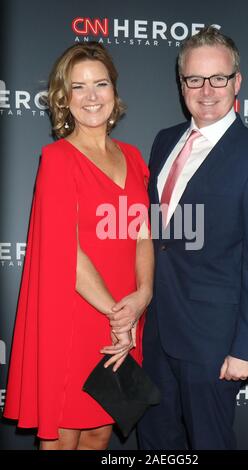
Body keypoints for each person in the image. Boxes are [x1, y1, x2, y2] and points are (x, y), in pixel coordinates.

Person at [134, 26, 248, 449]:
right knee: (156, 442)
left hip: (214, 344)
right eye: (194, 79)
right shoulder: (165, 141)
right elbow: (156, 235)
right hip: (156, 332)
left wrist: (247, 349)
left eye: (218, 78)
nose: (206, 90)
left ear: (237, 81)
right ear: (181, 83)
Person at [3, 42, 154, 450]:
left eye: (100, 84)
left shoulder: (135, 157)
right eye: (78, 87)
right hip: (77, 315)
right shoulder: (57, 159)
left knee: (100, 430)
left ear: (114, 91)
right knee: (62, 436)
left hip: (126, 311)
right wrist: (116, 316)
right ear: (63, 99)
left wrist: (142, 296)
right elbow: (64, 252)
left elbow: (143, 233)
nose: (91, 96)